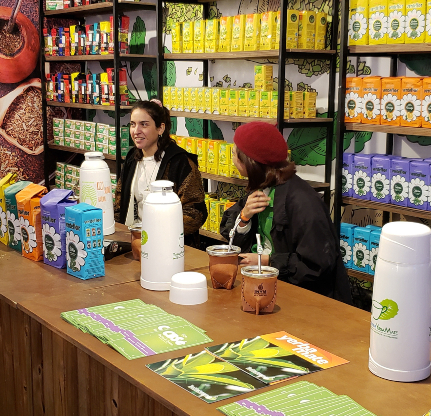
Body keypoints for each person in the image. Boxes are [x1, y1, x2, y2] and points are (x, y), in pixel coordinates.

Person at [220, 121, 351, 303]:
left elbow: (317, 264)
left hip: (306, 299)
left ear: (250, 163)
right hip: (265, 286)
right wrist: (244, 217)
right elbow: (229, 233)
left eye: (235, 154)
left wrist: (267, 261)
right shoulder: (262, 187)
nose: (233, 160)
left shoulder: (303, 202)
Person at [114, 99, 206, 235]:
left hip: (168, 241)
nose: (136, 131)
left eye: (144, 124)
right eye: (133, 124)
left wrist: (160, 233)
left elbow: (195, 212)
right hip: (134, 237)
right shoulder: (132, 158)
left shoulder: (180, 162)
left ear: (160, 128)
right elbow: (119, 202)